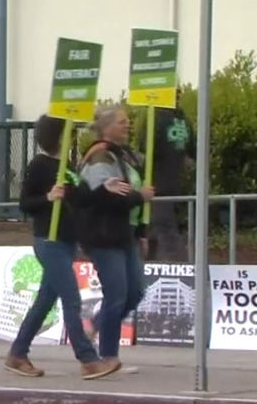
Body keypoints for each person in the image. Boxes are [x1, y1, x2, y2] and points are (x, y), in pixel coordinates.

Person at [4, 114, 121, 380]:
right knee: (71, 298)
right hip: (49, 239)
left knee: (45, 300)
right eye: (69, 132)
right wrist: (48, 197)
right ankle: (87, 358)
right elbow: (25, 203)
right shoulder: (40, 165)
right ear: (59, 136)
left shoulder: (66, 165)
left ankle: (17, 353)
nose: (74, 137)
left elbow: (81, 197)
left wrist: (105, 190)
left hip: (67, 240)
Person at [77, 105, 155, 368]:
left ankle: (97, 326)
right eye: (122, 122)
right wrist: (138, 196)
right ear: (107, 127)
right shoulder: (100, 158)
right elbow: (106, 198)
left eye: (128, 121)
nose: (127, 125)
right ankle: (109, 354)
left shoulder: (123, 156)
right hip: (103, 235)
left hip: (125, 233)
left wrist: (142, 231)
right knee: (117, 294)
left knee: (135, 292)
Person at [146, 95, 195, 262]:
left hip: (156, 182)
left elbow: (145, 147)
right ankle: (148, 265)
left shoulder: (155, 119)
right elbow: (192, 152)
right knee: (155, 229)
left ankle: (181, 270)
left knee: (163, 228)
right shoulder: (183, 121)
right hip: (175, 180)